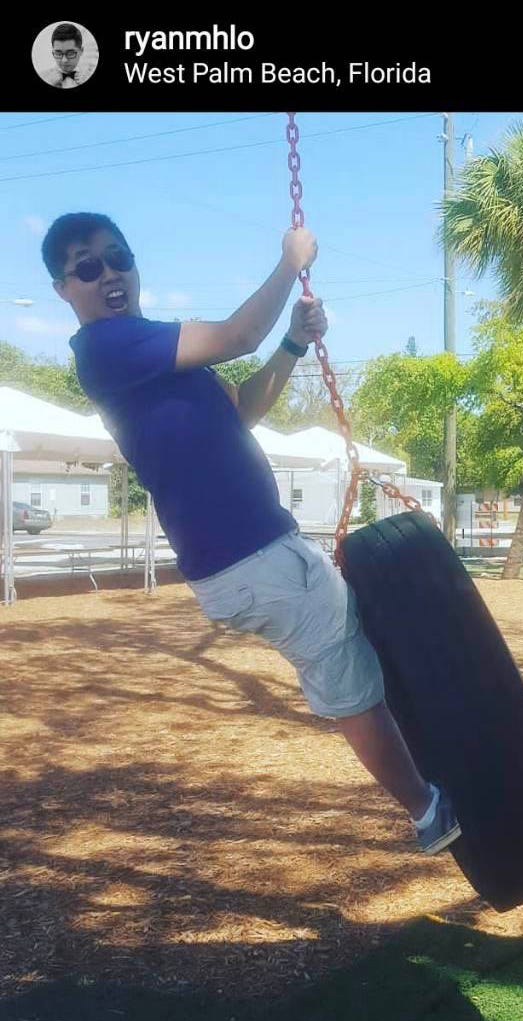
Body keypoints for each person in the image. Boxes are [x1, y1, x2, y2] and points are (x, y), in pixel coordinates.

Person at [42, 212, 461, 856]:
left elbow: (243, 409)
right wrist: (291, 262)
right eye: (87, 267)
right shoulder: (106, 348)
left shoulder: (154, 353)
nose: (110, 273)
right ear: (64, 288)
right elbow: (237, 334)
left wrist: (291, 343)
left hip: (266, 549)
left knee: (359, 649)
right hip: (248, 562)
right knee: (343, 676)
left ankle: (430, 777)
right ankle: (429, 812)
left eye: (118, 256)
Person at [37, 24, 92, 88]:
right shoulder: (42, 77)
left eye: (70, 53)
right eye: (58, 53)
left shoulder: (89, 74)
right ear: (53, 52)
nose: (64, 60)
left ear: (81, 51)